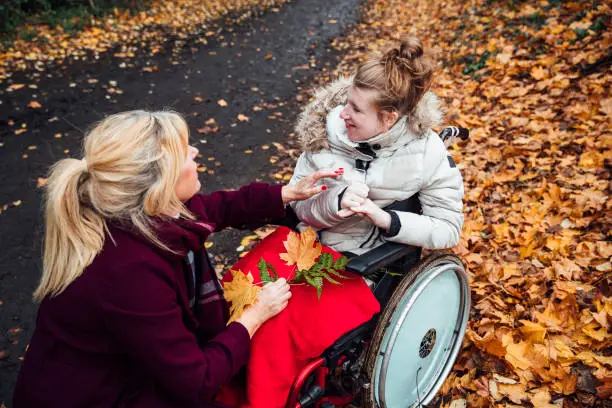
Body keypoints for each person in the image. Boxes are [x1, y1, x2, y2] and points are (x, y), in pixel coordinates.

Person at [12, 110, 338, 408]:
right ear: (160, 181)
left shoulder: (145, 215)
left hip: (125, 377)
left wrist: (286, 194)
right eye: (184, 151)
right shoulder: (128, 272)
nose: (195, 152)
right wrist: (254, 316)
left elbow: (218, 208)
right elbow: (196, 383)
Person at [289, 36, 464, 255]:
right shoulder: (322, 135)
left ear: (389, 118)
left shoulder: (426, 154)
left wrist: (388, 220)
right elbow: (293, 206)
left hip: (370, 264)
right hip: (306, 251)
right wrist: (336, 202)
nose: (342, 114)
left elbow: (448, 228)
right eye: (347, 103)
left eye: (356, 109)